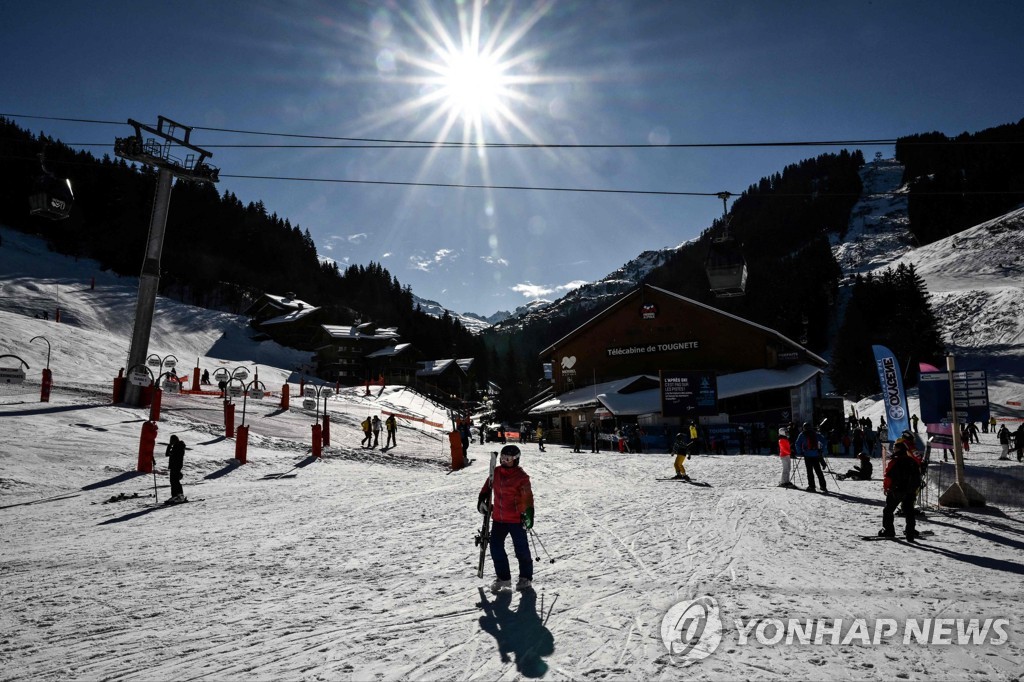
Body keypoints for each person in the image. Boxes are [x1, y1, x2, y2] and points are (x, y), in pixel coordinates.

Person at [478, 445, 535, 593]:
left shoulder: (522, 477)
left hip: (516, 520)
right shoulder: (495, 472)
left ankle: (525, 578)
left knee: (521, 549)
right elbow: (486, 489)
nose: (504, 461)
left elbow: (527, 498)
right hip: (499, 519)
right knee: (495, 547)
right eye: (502, 458)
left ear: (515, 460)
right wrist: (482, 501)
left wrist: (528, 514)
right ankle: (503, 578)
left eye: (507, 459)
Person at [880, 441, 922, 540]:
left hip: (896, 490)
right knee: (909, 512)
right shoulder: (912, 461)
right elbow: (917, 477)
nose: (893, 449)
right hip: (910, 491)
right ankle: (910, 533)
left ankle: (889, 531)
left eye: (895, 448)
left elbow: (888, 476)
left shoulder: (895, 461)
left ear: (898, 449)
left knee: (888, 510)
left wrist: (886, 488)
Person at [794, 422, 828, 493]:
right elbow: (824, 441)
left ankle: (812, 486)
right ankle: (823, 486)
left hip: (807, 455)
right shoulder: (815, 434)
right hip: (816, 455)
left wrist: (800, 452)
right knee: (818, 471)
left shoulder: (802, 435)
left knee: (809, 471)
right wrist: (821, 450)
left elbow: (797, 444)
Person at [165, 434, 187, 502]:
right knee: (172, 481)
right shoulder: (174, 446)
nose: (171, 442)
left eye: (172, 441)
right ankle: (174, 496)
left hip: (177, 465)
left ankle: (180, 495)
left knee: (175, 481)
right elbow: (167, 454)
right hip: (173, 466)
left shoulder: (180, 446)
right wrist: (169, 445)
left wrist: (172, 450)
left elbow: (176, 455)